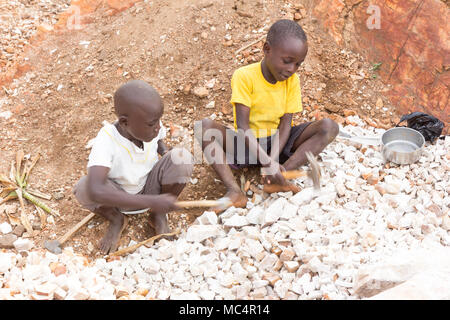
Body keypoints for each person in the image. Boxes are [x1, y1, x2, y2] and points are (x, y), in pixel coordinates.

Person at [196, 19, 339, 211]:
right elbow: (243, 127)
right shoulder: (244, 76)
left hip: (277, 144)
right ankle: (234, 191)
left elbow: (285, 125)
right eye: (287, 61)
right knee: (205, 127)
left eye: (298, 64)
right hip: (246, 144)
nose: (292, 69)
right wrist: (266, 161)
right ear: (266, 49)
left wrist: (272, 162)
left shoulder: (292, 81)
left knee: (329, 127)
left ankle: (279, 176)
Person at [73, 80, 193, 254]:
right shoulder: (107, 139)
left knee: (182, 158)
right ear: (124, 122)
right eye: (152, 124)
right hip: (118, 198)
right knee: (84, 187)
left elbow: (159, 139)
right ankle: (116, 219)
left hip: (151, 187)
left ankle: (158, 214)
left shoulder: (150, 125)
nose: (158, 127)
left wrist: (165, 152)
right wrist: (152, 201)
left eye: (159, 120)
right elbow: (96, 189)